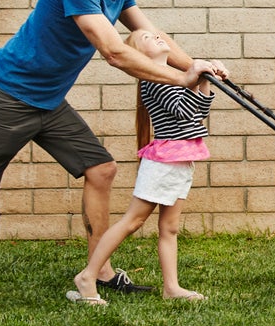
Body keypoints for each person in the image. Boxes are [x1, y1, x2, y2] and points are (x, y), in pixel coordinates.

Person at [0, 0, 228, 293]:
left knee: (101, 169)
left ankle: (100, 271)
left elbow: (150, 33)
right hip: (10, 95)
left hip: (49, 101)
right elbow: (114, 51)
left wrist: (196, 66)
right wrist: (182, 78)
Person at [69, 29, 215, 304]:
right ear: (138, 55)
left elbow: (198, 113)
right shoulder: (154, 81)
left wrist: (205, 77)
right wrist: (194, 75)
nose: (157, 38)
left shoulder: (173, 77)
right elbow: (185, 110)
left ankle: (171, 288)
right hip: (163, 164)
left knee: (169, 228)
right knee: (133, 221)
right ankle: (88, 275)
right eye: (147, 38)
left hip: (180, 161)